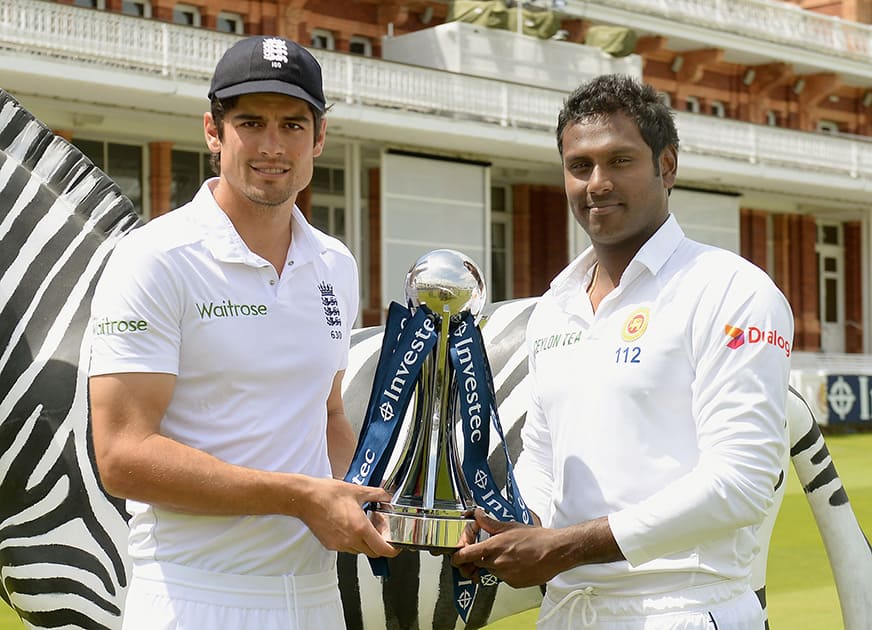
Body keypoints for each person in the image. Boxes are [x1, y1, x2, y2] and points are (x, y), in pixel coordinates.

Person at [452, 74, 794, 629]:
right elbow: (542, 460)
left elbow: (741, 484)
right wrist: (513, 521)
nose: (597, 183)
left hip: (680, 607)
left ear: (667, 165)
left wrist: (564, 547)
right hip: (567, 611)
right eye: (579, 166)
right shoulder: (556, 305)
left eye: (620, 161)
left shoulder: (731, 289)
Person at [88, 35, 397, 630]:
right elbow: (123, 455)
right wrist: (300, 497)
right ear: (213, 130)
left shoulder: (334, 262)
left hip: (314, 598)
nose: (272, 146)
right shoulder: (154, 258)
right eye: (250, 122)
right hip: (193, 596)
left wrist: (370, 498)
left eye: (293, 124)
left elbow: (326, 414)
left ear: (320, 137)